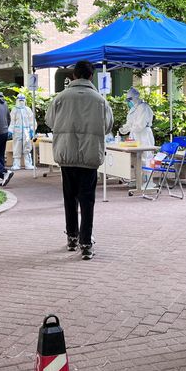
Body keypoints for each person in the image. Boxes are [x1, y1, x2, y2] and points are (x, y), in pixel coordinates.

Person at [46, 60, 113, 260]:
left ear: (74, 75)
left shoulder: (60, 98)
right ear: (91, 76)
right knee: (87, 200)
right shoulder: (100, 100)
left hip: (66, 156)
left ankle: (72, 237)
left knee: (69, 198)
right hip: (89, 156)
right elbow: (108, 126)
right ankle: (86, 243)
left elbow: (50, 121)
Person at [118, 87, 154, 162]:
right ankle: (136, 173)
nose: (128, 102)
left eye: (129, 99)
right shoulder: (132, 109)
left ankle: (146, 174)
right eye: (127, 100)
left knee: (145, 157)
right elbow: (130, 123)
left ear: (135, 97)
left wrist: (130, 128)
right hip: (135, 135)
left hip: (144, 135)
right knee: (134, 157)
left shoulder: (143, 107)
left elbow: (140, 126)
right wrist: (124, 129)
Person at [9, 93, 37, 170]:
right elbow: (12, 121)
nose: (21, 101)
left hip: (26, 131)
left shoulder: (28, 110)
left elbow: (32, 121)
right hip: (17, 131)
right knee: (16, 147)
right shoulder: (14, 110)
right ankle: (16, 164)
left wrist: (32, 130)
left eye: (22, 100)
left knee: (27, 147)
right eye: (20, 100)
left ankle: (28, 164)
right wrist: (10, 130)